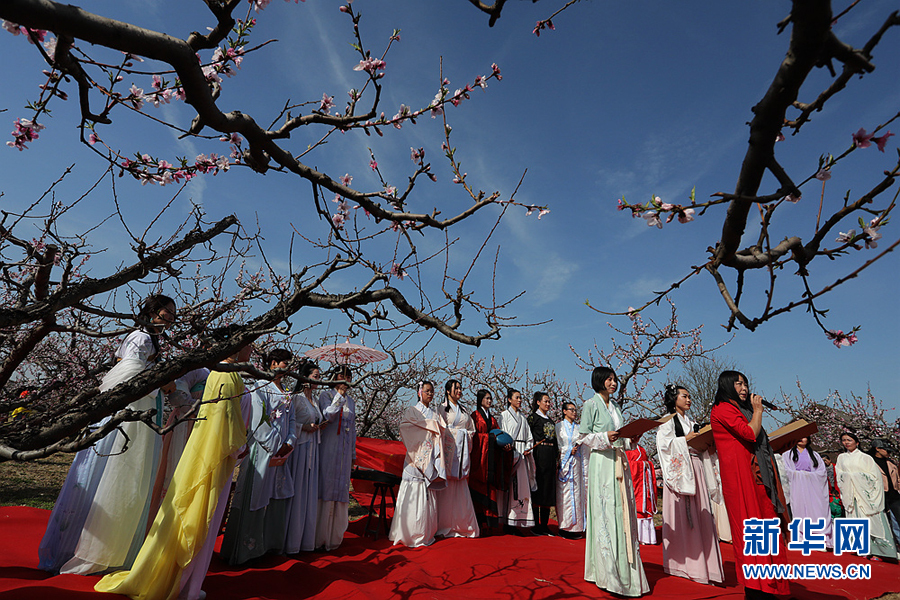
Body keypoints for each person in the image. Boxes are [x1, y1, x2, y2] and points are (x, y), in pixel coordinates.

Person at [96, 339, 253, 600]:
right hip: (211, 447)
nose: (251, 349)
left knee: (199, 513)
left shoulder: (222, 373)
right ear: (237, 346)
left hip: (213, 447)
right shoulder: (225, 375)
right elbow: (223, 419)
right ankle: (184, 584)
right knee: (199, 513)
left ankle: (186, 580)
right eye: (249, 344)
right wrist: (239, 444)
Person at [40, 294, 176, 575]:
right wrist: (163, 380)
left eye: (173, 314)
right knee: (119, 473)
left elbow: (120, 361)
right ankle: (98, 549)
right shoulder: (141, 337)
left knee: (113, 474)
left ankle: (98, 545)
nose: (170, 318)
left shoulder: (145, 337)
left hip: (138, 405)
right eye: (166, 313)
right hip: (132, 410)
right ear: (151, 313)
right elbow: (129, 368)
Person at [710, 370, 788, 599]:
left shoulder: (743, 409)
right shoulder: (723, 409)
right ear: (726, 385)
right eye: (738, 384)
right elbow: (749, 433)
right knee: (750, 530)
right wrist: (758, 411)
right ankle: (755, 589)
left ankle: (770, 584)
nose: (744, 389)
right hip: (741, 478)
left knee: (767, 527)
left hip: (758, 477)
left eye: (745, 384)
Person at [220, 348, 297, 564]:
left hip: (281, 453)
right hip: (261, 449)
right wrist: (275, 444)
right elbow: (256, 421)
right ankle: (246, 550)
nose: (287, 367)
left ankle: (269, 545)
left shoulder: (288, 391)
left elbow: (291, 421)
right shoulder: (259, 387)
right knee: (254, 496)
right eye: (283, 363)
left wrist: (289, 442)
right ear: (272, 363)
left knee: (275, 496)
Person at [578, 366, 649, 597]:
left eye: (614, 379)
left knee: (622, 512)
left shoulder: (616, 407)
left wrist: (632, 439)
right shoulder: (590, 405)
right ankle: (606, 572)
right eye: (608, 379)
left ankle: (624, 568)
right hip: (602, 463)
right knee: (605, 512)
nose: (613, 382)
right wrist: (604, 437)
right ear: (599, 381)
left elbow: (621, 438)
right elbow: (583, 437)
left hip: (619, 461)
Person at [656, 384, 723, 585]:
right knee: (685, 519)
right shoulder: (667, 422)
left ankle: (706, 566)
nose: (689, 400)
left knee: (702, 515)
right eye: (684, 396)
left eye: (689, 396)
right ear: (673, 398)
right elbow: (664, 446)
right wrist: (686, 439)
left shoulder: (691, 422)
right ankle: (684, 565)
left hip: (696, 468)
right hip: (681, 473)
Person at [389, 381, 449, 547]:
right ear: (419, 392)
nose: (430, 394)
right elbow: (405, 427)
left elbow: (440, 432)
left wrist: (433, 429)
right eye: (427, 391)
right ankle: (408, 533)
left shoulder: (435, 413)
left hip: (430, 453)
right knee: (413, 491)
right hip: (415, 455)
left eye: (432, 392)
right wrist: (427, 427)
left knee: (427, 493)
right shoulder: (412, 410)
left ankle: (425, 532)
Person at [283, 360, 327, 554]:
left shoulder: (315, 400)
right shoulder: (297, 398)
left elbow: (313, 422)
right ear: (305, 377)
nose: (318, 380)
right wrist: (305, 428)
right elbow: (289, 424)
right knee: (298, 491)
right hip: (299, 450)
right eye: (315, 376)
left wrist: (318, 427)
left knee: (308, 493)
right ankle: (289, 540)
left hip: (312, 450)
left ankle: (304, 540)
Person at [835, 432, 897, 559]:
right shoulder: (841, 458)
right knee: (855, 520)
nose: (846, 442)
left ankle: (879, 551)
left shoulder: (866, 458)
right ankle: (860, 549)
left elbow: (875, 477)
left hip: (865, 496)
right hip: (851, 495)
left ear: (857, 442)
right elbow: (840, 475)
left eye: (849, 440)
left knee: (871, 521)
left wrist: (855, 477)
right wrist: (849, 477)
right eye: (844, 440)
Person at [315, 365, 356, 551]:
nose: (345, 380)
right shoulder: (326, 395)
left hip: (345, 452)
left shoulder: (352, 401)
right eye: (341, 375)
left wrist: (353, 454)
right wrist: (338, 396)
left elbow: (353, 429)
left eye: (348, 377)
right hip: (329, 448)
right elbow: (328, 416)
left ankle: (335, 537)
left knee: (341, 490)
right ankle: (319, 536)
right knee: (325, 487)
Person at [434, 379, 479, 539]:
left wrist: (463, 435)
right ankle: (444, 526)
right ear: (448, 391)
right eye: (456, 388)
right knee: (446, 489)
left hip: (461, 453)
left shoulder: (464, 409)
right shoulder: (441, 409)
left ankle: (462, 525)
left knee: (460, 488)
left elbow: (471, 429)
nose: (459, 391)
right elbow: (439, 428)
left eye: (460, 388)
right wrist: (454, 434)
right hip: (449, 450)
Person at [469, 389, 512, 534]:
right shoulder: (474, 416)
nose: (489, 401)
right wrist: (489, 438)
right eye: (487, 398)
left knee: (491, 488)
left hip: (491, 459)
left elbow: (499, 434)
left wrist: (504, 445)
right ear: (480, 399)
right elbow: (473, 436)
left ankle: (490, 522)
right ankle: (479, 522)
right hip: (479, 459)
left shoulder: (493, 419)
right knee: (478, 487)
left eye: (490, 398)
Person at [497, 388, 536, 535]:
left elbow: (530, 438)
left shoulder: (523, 419)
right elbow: (500, 434)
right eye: (517, 397)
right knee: (509, 487)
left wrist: (527, 448)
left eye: (520, 398)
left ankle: (518, 520)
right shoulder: (503, 416)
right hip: (509, 453)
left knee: (520, 488)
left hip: (522, 454)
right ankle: (507, 521)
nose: (520, 400)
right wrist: (506, 447)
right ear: (509, 399)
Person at [781, 436, 832, 548]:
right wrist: (800, 475)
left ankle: (819, 537)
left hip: (813, 488)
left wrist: (807, 476)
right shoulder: (787, 454)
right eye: (799, 436)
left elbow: (821, 472)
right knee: (798, 509)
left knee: (817, 510)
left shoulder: (815, 455)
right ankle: (801, 536)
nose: (801, 439)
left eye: (804, 437)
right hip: (796, 487)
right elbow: (786, 470)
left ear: (808, 439)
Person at [528, 391, 558, 536]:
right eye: (545, 401)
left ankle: (545, 525)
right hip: (538, 456)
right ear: (538, 402)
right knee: (537, 490)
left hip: (550, 458)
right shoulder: (533, 418)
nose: (548, 404)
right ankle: (535, 525)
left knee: (547, 490)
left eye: (549, 401)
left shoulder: (551, 422)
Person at [555, 401, 586, 539]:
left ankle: (576, 527)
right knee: (565, 495)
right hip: (564, 464)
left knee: (577, 494)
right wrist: (568, 450)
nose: (574, 412)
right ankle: (564, 527)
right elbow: (558, 446)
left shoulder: (579, 428)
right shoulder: (558, 427)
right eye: (571, 409)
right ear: (564, 411)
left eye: (575, 409)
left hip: (577, 464)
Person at [868, 439, 900, 550]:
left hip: (894, 496)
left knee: (897, 519)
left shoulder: (891, 463)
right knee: (884, 522)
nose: (888, 453)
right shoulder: (869, 462)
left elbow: (898, 479)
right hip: (879, 496)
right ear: (877, 449)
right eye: (886, 450)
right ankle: (887, 546)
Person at [625, 442, 658, 544]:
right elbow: (627, 465)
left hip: (644, 484)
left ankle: (646, 537)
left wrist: (647, 465)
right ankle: (635, 536)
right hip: (636, 484)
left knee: (645, 507)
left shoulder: (641, 449)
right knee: (636, 507)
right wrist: (643, 465)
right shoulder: (627, 449)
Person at [821, 453, 844, 519]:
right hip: (829, 491)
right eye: (822, 461)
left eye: (825, 460)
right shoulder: (822, 470)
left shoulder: (836, 468)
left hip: (838, 489)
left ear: (829, 460)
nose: (824, 462)